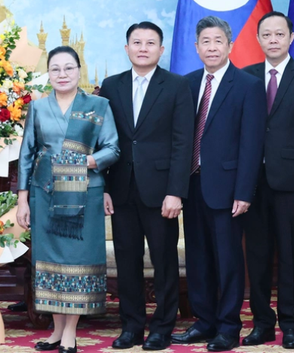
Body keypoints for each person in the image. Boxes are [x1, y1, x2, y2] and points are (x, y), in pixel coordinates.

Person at [17, 46, 120, 353]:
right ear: (48, 74)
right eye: (55, 69)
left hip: (85, 194)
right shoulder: (38, 107)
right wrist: (22, 200)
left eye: (68, 68)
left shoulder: (98, 106)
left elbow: (113, 149)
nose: (62, 74)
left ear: (79, 70)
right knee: (49, 263)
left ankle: (70, 333)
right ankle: (57, 330)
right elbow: (26, 155)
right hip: (45, 193)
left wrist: (83, 162)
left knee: (77, 261)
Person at [171, 16, 266, 352]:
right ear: (196, 48)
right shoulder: (186, 84)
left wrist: (244, 191)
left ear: (230, 45)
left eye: (218, 41)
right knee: (198, 259)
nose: (211, 48)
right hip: (193, 185)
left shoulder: (247, 85)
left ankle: (228, 327)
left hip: (228, 189)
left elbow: (252, 144)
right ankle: (205, 321)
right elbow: (180, 138)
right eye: (205, 42)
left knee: (228, 261)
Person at [100, 22, 193, 351]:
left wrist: (176, 191)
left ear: (161, 50)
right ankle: (131, 327)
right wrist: (104, 187)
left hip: (161, 191)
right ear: (127, 48)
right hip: (121, 189)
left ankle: (162, 328)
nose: (143, 48)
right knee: (128, 262)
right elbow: (103, 140)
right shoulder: (111, 86)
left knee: (165, 262)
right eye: (136, 42)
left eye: (150, 43)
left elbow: (183, 143)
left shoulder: (177, 86)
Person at [240, 12, 294, 349]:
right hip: (252, 183)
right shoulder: (245, 77)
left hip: (292, 183)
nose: (273, 40)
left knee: (291, 256)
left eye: (279, 34)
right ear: (258, 39)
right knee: (257, 257)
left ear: (291, 38)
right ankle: (262, 323)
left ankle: (290, 324)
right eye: (267, 34)